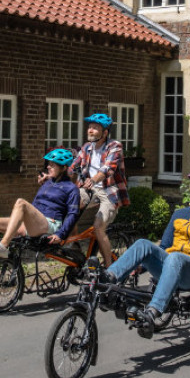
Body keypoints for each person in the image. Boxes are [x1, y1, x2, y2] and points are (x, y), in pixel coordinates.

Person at [99, 166, 190, 339]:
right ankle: (108, 279)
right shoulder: (179, 214)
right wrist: (142, 267)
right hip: (171, 265)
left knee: (175, 257)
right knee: (143, 244)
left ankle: (152, 312)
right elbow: (162, 249)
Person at [70, 113, 129, 267]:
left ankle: (110, 269)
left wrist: (93, 179)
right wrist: (52, 176)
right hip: (89, 189)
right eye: (89, 127)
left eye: (95, 128)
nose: (90, 130)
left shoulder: (114, 146)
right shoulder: (86, 147)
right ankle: (75, 248)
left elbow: (108, 168)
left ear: (105, 133)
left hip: (109, 190)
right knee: (68, 207)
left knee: (98, 227)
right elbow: (72, 167)